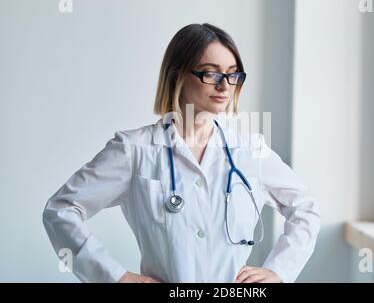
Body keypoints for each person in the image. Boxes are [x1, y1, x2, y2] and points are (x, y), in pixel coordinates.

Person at [43, 23, 320, 283]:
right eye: (211, 73)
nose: (224, 86)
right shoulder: (135, 150)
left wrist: (279, 270)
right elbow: (61, 210)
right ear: (177, 75)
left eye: (232, 74)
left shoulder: (250, 151)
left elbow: (305, 208)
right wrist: (115, 276)